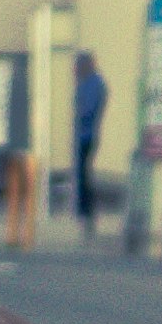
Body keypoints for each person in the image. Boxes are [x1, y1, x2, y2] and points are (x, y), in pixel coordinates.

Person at [71, 51, 109, 241]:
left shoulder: (93, 83)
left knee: (85, 175)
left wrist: (80, 112)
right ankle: (84, 214)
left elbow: (87, 109)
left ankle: (88, 215)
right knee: (82, 174)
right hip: (84, 134)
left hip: (87, 135)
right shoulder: (89, 82)